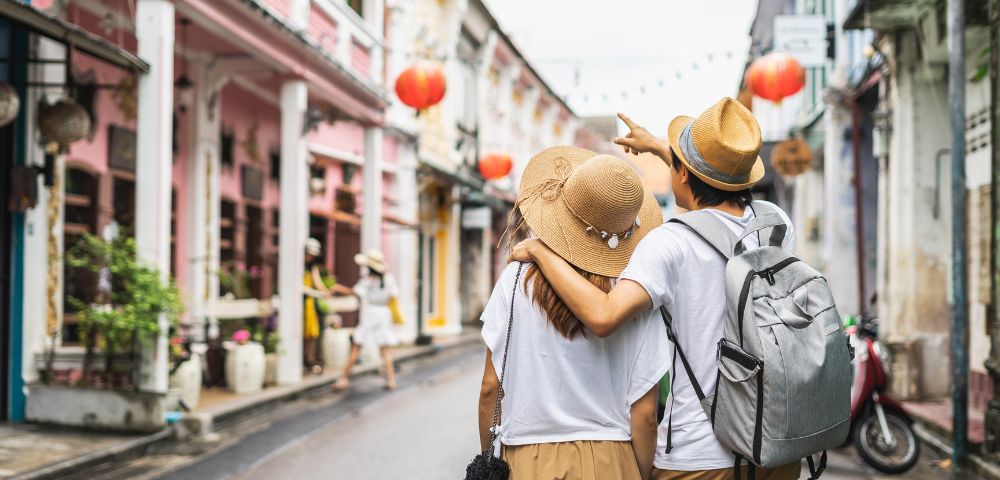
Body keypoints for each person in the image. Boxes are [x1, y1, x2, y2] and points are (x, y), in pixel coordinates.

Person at [510, 98, 802, 480]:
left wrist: (540, 251)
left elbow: (603, 316)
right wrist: (663, 150)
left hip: (701, 457)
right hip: (775, 446)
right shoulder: (775, 224)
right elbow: (711, 188)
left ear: (682, 175)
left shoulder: (669, 243)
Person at [478, 146, 671, 480]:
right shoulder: (633, 294)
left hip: (526, 458)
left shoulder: (515, 281)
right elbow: (645, 416)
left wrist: (486, 456)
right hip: (612, 459)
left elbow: (490, 386)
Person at [333, 250, 400, 391]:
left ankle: (344, 378)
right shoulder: (389, 279)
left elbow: (356, 292)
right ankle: (391, 379)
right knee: (385, 349)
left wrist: (338, 288)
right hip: (383, 313)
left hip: (371, 314)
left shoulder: (369, 280)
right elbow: (393, 295)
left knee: (356, 346)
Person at [303, 237, 330, 373]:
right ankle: (305, 360)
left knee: (312, 333)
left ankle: (311, 360)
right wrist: (314, 292)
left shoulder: (312, 267)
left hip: (310, 304)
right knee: (303, 333)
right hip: (301, 304)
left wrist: (324, 291)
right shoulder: (299, 266)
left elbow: (317, 282)